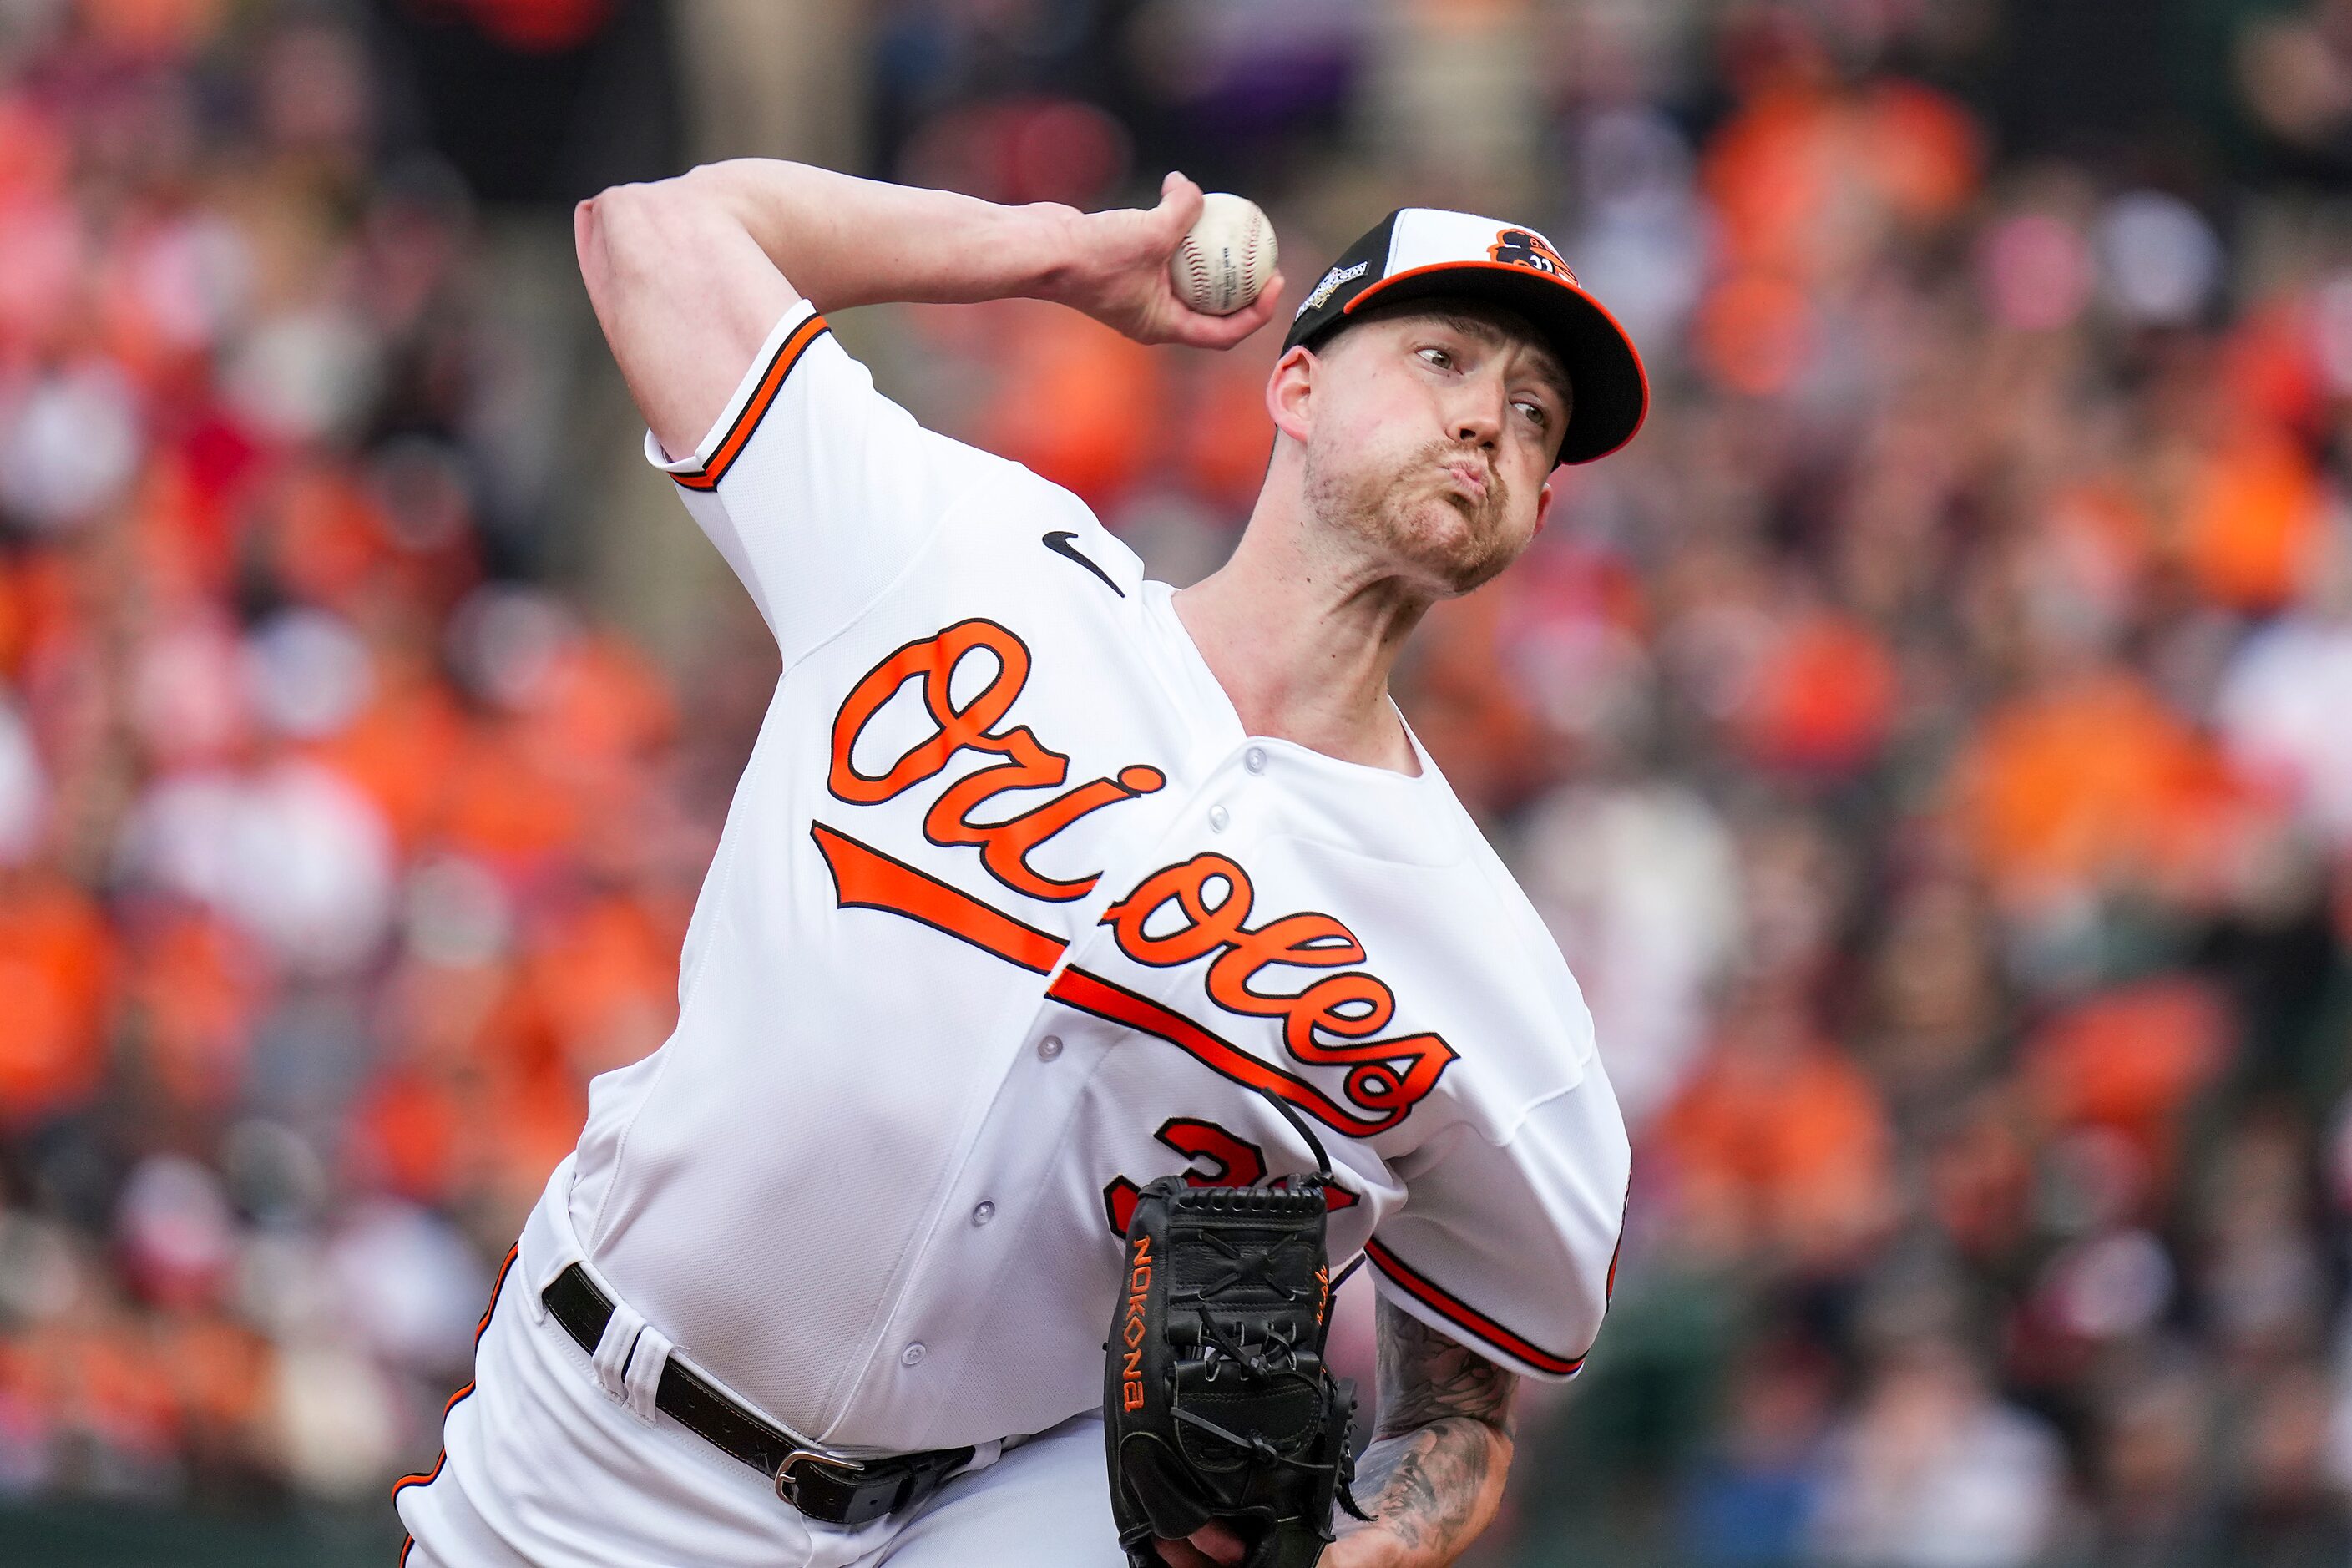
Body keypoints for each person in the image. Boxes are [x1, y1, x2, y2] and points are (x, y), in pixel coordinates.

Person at [391, 162, 1641, 1568]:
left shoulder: (1495, 985)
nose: (1487, 414)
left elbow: (1461, 1408)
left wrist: (1384, 1534)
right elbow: (655, 234)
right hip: (589, 1449)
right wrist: (1049, 252)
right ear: (1293, 387)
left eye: (1535, 414)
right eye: (1439, 358)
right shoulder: (963, 555)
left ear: (1534, 508)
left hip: (983, 1518)